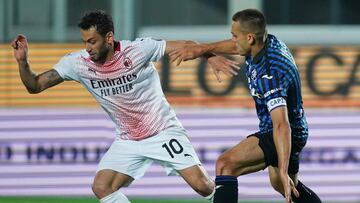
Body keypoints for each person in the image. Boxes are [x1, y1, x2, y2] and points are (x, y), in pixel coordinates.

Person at [11, 10, 215, 203]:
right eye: (84, 42)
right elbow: (35, 86)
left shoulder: (138, 50)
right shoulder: (78, 63)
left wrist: (210, 56)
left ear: (109, 38)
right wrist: (23, 62)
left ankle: (225, 195)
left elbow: (186, 45)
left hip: (162, 131)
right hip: (128, 140)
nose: (88, 48)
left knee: (203, 186)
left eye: (92, 41)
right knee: (102, 186)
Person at [170, 9, 322, 203]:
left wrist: (283, 170)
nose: (232, 40)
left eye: (235, 36)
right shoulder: (266, 42)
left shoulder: (270, 72)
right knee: (283, 186)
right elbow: (236, 47)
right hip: (292, 129)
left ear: (249, 38)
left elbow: (281, 125)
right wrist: (203, 50)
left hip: (282, 132)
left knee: (226, 165)